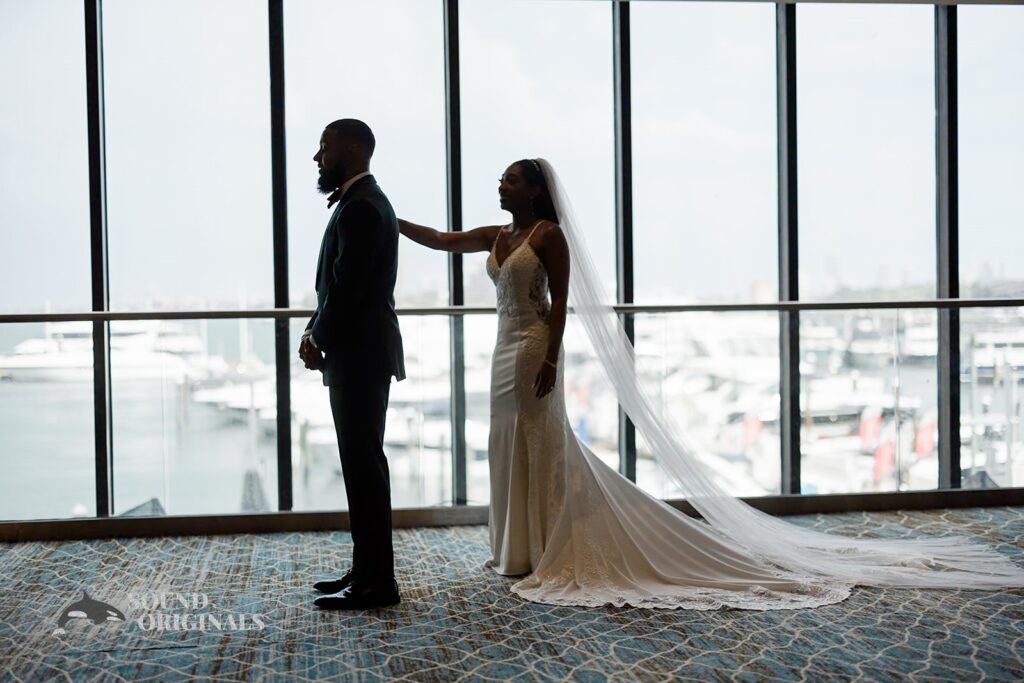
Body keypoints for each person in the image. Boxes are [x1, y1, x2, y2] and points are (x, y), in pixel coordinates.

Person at [397, 158, 1024, 609]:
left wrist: (555, 358)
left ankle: (544, 544)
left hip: (534, 345)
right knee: (508, 440)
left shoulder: (548, 236)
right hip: (500, 352)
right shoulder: (496, 235)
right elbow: (439, 239)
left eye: (511, 176)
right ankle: (516, 546)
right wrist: (391, 221)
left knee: (541, 441)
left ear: (534, 190)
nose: (500, 182)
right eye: (502, 177)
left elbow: (561, 304)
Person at [300, 119, 406, 610]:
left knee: (364, 467)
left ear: (354, 148)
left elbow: (347, 289)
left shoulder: (362, 208)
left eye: (325, 147)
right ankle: (366, 569)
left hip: (359, 355)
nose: (318, 157)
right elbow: (338, 284)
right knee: (362, 466)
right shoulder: (361, 203)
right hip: (360, 354)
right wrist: (314, 328)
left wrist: (316, 335)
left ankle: (377, 584)